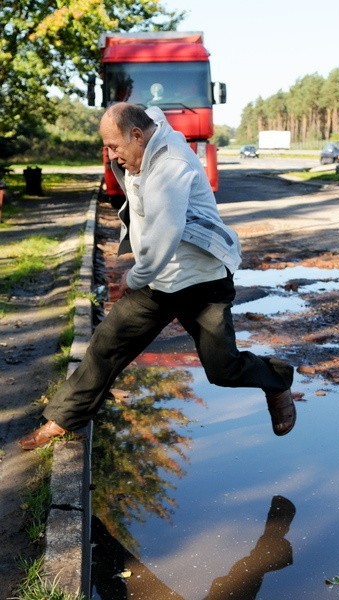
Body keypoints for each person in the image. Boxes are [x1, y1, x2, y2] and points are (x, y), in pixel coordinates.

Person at [19, 103, 296, 451]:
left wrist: (133, 278)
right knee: (108, 342)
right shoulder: (144, 136)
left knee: (223, 370)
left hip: (202, 280)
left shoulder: (170, 165)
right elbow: (145, 116)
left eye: (115, 147)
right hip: (160, 280)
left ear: (137, 135)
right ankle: (62, 420)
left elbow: (165, 233)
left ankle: (277, 378)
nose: (113, 156)